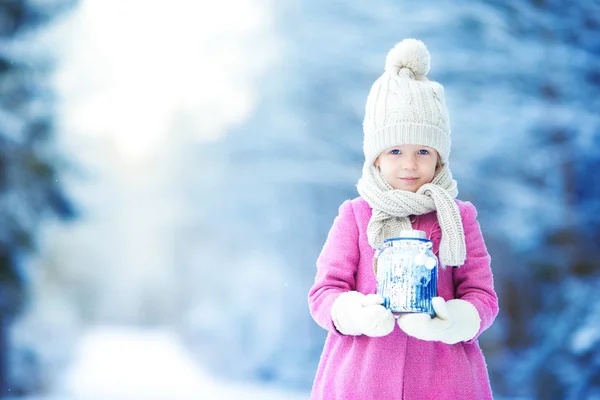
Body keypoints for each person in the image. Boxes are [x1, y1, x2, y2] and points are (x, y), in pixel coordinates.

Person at [308, 38, 499, 400]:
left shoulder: (458, 218)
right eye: (395, 150)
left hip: (445, 382)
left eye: (423, 151)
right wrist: (353, 313)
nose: (409, 164)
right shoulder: (355, 215)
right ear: (376, 157)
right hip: (360, 382)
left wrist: (457, 321)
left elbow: (482, 294)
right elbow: (324, 292)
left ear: (439, 158)